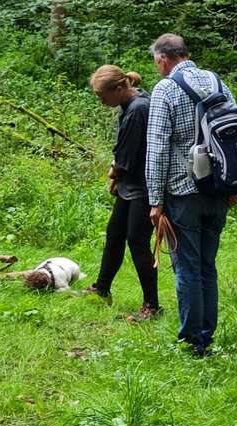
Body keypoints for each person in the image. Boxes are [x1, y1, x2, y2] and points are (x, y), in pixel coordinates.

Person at [145, 34, 237, 355]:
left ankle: (192, 341)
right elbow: (236, 133)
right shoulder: (216, 82)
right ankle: (206, 336)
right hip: (218, 191)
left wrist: (155, 201)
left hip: (182, 193)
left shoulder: (165, 89)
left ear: (162, 59)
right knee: (206, 266)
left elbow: (157, 149)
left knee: (186, 266)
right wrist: (233, 184)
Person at [85, 65, 160, 320]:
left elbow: (127, 156)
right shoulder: (132, 103)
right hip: (131, 185)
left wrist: (113, 173)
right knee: (114, 234)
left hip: (143, 186)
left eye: (101, 95)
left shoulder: (139, 109)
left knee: (138, 242)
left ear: (118, 88)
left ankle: (152, 305)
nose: (101, 100)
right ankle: (101, 289)